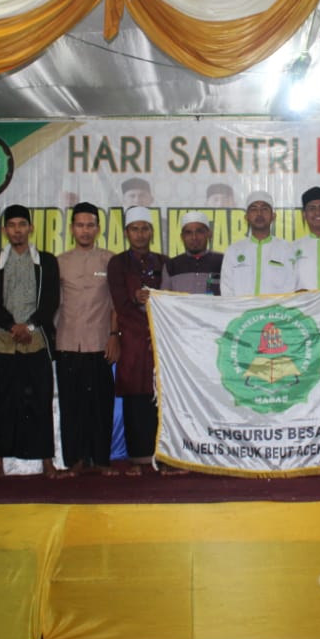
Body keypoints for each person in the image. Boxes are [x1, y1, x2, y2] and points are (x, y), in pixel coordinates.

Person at [0, 204, 61, 480]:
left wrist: (30, 326)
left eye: (22, 225)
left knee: (40, 401)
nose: (17, 230)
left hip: (36, 341)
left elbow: (50, 301)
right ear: (4, 230)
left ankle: (47, 461)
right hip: (4, 341)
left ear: (30, 228)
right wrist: (12, 326)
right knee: (3, 403)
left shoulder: (46, 261)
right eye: (12, 226)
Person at [55, 202, 120, 475]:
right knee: (71, 406)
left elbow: (116, 304)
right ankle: (75, 460)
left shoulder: (110, 261)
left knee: (101, 406)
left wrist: (114, 336)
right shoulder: (59, 262)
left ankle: (102, 460)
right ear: (72, 229)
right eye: (80, 225)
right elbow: (54, 305)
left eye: (90, 225)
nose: (85, 230)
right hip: (68, 343)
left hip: (100, 343)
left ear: (98, 228)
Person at [107, 205, 169, 475]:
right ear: (127, 233)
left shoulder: (164, 262)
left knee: (162, 396)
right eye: (135, 229)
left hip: (161, 338)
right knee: (135, 397)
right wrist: (135, 297)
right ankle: (138, 459)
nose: (140, 234)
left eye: (145, 229)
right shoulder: (118, 263)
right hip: (131, 338)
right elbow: (118, 299)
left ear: (151, 232)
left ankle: (163, 455)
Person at [220, 193, 298, 296]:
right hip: (241, 306)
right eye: (254, 209)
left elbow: (291, 286)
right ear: (246, 217)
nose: (259, 213)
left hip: (275, 307)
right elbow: (227, 289)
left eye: (264, 209)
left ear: (273, 216)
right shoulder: (234, 250)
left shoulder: (286, 249)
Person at [161, 211, 223, 295]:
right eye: (188, 233)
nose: (194, 237)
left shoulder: (223, 262)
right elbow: (164, 298)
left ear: (209, 234)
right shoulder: (171, 265)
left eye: (199, 231)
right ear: (182, 237)